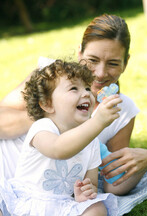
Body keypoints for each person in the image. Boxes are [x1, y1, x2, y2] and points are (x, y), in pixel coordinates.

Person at [0, 14, 147, 195]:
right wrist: (55, 114)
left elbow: (113, 181)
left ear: (125, 63)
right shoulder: (50, 78)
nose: (100, 73)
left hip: (46, 195)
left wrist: (144, 160)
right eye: (93, 60)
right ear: (80, 52)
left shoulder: (121, 109)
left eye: (112, 63)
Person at [0, 59, 122, 216]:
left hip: (60, 205)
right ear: (47, 104)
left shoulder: (91, 141)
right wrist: (98, 122)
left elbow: (90, 181)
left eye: (86, 87)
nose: (86, 93)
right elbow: (58, 149)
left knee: (97, 209)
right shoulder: (42, 127)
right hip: (24, 201)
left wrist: (85, 190)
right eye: (73, 88)